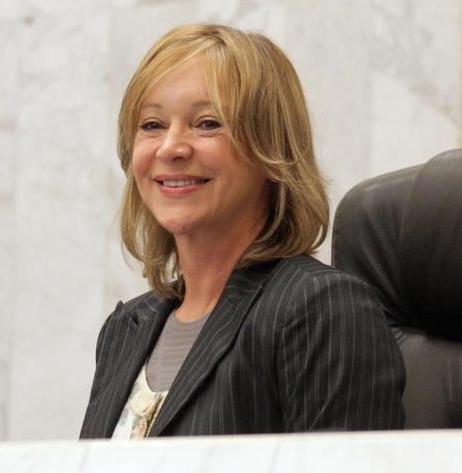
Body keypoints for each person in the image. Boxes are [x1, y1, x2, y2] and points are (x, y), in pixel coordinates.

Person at [79, 24, 405, 439]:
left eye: (208, 123)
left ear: (272, 151)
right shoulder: (125, 328)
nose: (171, 147)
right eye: (152, 124)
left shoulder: (321, 309)